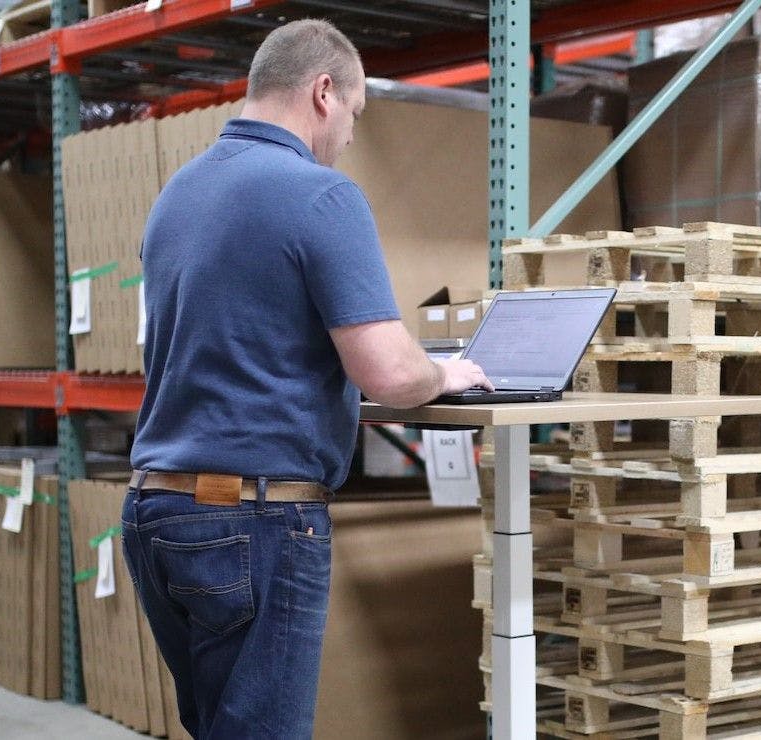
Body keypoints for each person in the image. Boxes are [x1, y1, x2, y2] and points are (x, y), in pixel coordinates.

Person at [119, 18, 492, 739]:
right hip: (251, 520)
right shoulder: (320, 195)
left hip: (156, 513)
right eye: (352, 115)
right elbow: (385, 368)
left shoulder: (178, 194)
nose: (348, 137)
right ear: (323, 92)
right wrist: (444, 372)